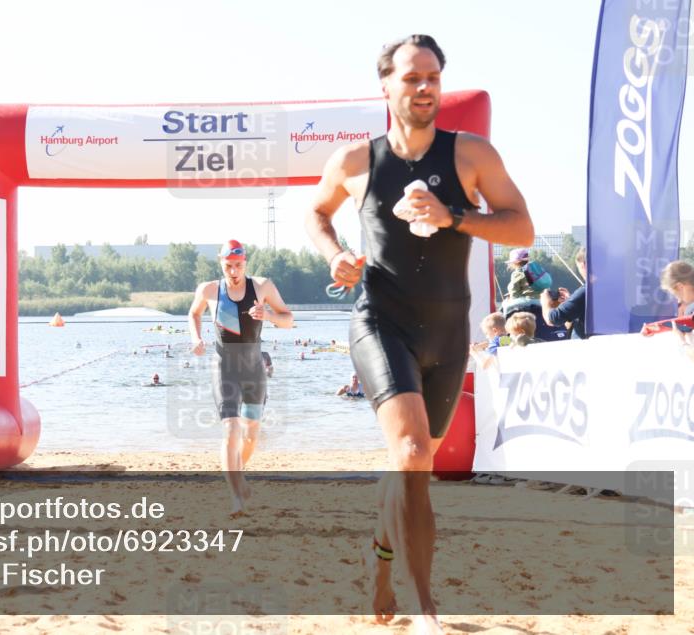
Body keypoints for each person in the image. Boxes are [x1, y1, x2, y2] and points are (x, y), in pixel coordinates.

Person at [305, 34, 534, 631]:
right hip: (380, 318)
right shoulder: (358, 162)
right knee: (409, 453)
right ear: (385, 86)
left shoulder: (471, 155)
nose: (425, 87)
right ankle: (427, 610)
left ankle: (379, 565)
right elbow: (316, 212)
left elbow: (522, 229)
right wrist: (334, 254)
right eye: (412, 78)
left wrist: (455, 215)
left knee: (414, 465)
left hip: (447, 328)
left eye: (433, 76)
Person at [188, 239, 294, 515]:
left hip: (254, 369)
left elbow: (288, 319)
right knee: (230, 429)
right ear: (221, 264)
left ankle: (238, 474)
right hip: (223, 366)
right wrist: (196, 337)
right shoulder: (209, 290)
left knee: (250, 437)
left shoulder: (262, 287)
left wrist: (268, 315)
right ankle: (236, 495)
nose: (233, 271)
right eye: (228, 266)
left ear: (245, 263)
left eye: (238, 265)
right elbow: (194, 313)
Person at [541, 247, 588, 340]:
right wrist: (571, 300)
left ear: (583, 265)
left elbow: (553, 319)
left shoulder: (585, 293)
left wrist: (545, 302)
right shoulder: (614, 289)